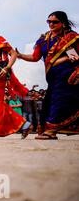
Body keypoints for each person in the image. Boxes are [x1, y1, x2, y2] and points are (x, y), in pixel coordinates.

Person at [17, 11, 79, 139]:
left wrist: (59, 60)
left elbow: (75, 56)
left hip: (66, 75)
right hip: (52, 77)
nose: (51, 24)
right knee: (49, 102)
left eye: (55, 22)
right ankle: (48, 129)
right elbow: (35, 57)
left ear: (63, 23)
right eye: (49, 21)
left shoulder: (69, 37)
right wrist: (20, 55)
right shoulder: (44, 39)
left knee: (59, 100)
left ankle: (51, 131)